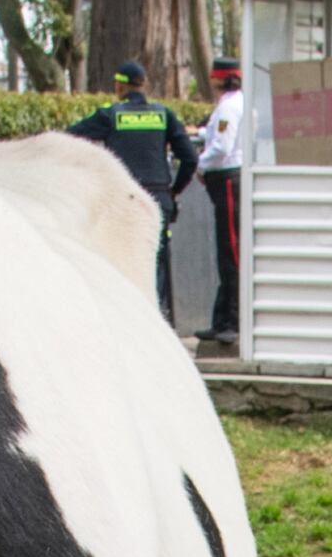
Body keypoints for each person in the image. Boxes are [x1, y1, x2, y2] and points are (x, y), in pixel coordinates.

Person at [66, 56, 197, 323]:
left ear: (120, 87)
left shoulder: (111, 115)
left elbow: (70, 136)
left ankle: (126, 322)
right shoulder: (164, 115)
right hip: (158, 196)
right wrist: (173, 190)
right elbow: (190, 158)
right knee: (156, 261)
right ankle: (156, 320)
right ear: (143, 85)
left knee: (120, 259)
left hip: (123, 198)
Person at [195, 57, 248, 344]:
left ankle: (234, 319)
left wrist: (200, 164)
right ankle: (222, 317)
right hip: (229, 179)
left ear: (219, 79)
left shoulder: (228, 106)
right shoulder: (234, 104)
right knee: (227, 251)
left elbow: (222, 147)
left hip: (227, 179)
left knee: (231, 251)